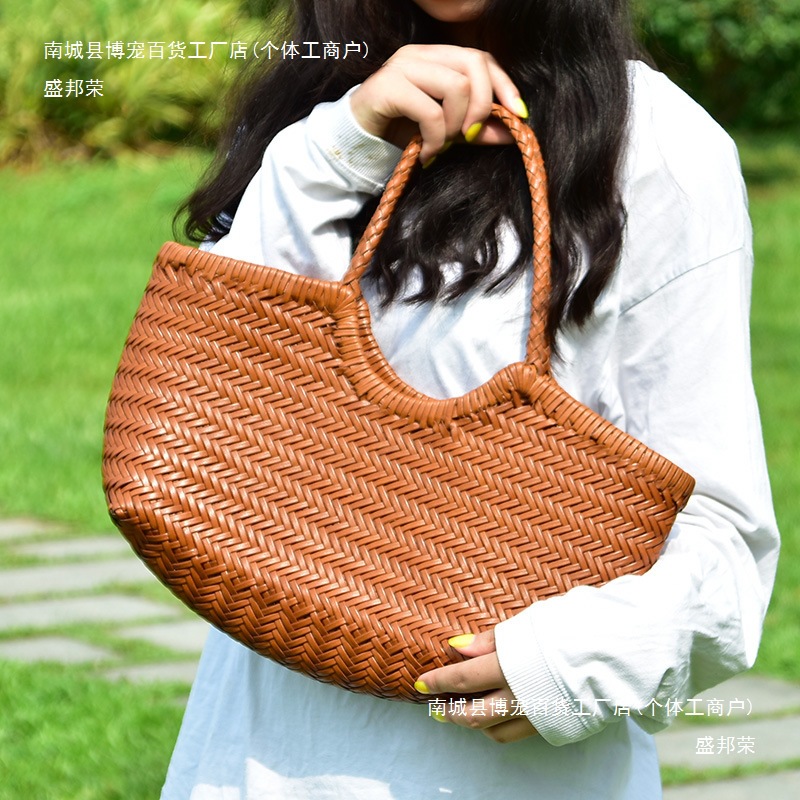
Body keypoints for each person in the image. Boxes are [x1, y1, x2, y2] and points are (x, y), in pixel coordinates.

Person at [160, 0, 780, 797]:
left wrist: (571, 663)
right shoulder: (323, 112)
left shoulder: (653, 145)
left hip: (492, 773)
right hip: (251, 759)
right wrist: (340, 146)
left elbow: (722, 538)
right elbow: (207, 407)